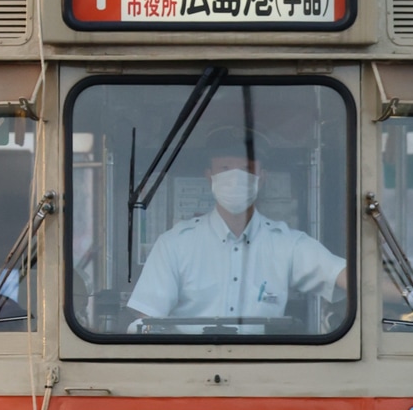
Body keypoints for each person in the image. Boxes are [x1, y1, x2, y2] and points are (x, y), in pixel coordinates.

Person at [126, 126, 347, 331]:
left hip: (263, 369)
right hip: (187, 368)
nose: (235, 178)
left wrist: (379, 288)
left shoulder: (286, 244)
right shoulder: (174, 244)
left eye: (245, 169)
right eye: (225, 168)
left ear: (262, 178)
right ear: (209, 176)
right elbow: (146, 319)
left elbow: (346, 278)